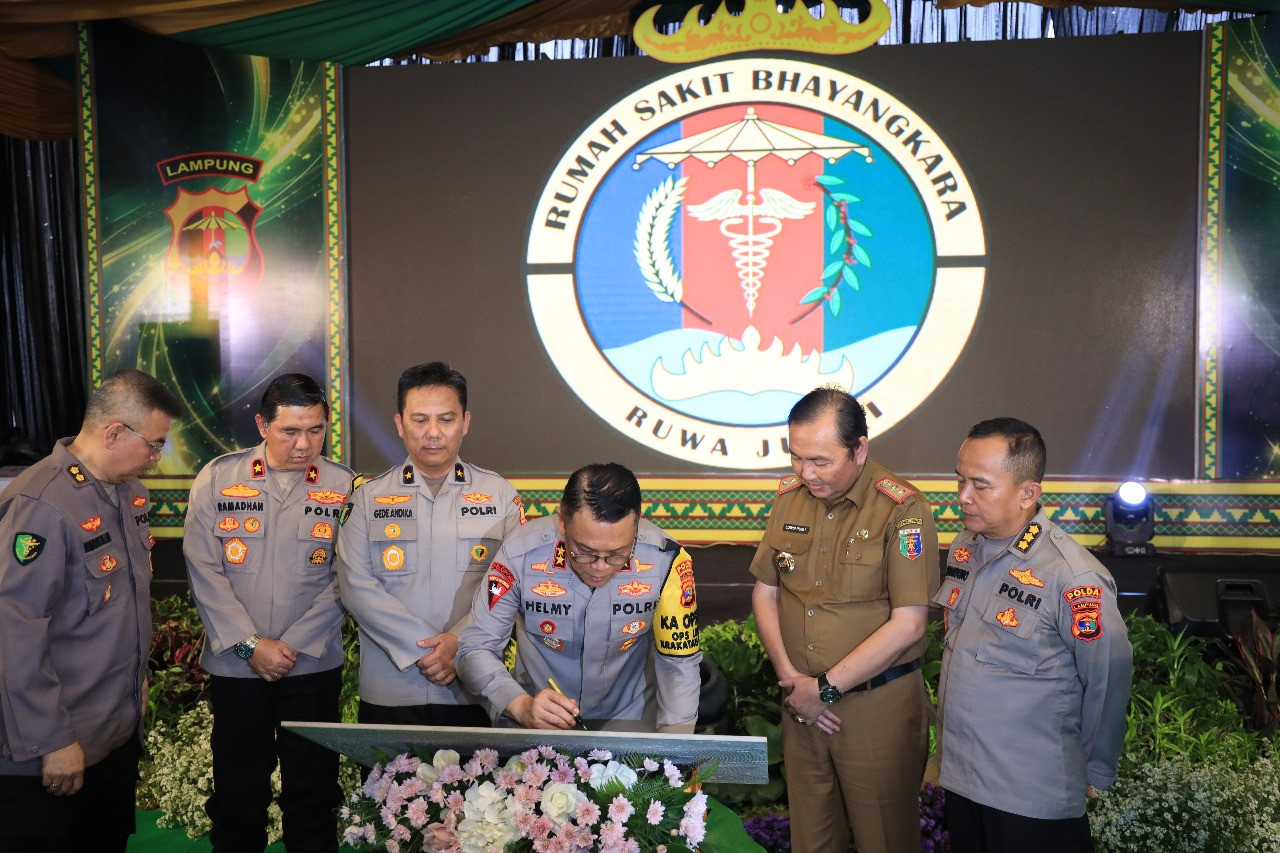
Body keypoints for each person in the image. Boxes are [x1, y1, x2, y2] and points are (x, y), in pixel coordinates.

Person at [749, 387, 938, 853]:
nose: (805, 473)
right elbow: (766, 590)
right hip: (802, 705)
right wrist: (792, 680)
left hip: (875, 708)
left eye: (821, 461)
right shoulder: (790, 497)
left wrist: (826, 688)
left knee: (885, 840)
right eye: (796, 457)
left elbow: (910, 623)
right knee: (811, 839)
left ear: (860, 448)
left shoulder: (902, 508)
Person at [0, 368, 181, 853]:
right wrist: (52, 740)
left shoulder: (128, 494)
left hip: (110, 738)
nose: (156, 457)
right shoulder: (41, 502)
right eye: (154, 444)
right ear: (115, 432)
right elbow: (14, 630)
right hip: (53, 752)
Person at [934, 418, 1132, 853]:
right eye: (960, 480)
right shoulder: (966, 547)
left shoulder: (1072, 576)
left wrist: (1096, 769)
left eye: (980, 485)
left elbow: (1108, 675)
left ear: (1028, 493)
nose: (963, 496)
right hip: (964, 781)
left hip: (1029, 796)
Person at [184, 373, 352, 852]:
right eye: (290, 431)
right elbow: (202, 568)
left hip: (312, 667)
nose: (305, 444)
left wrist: (289, 647)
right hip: (238, 667)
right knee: (238, 795)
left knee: (313, 794)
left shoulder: (346, 486)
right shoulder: (218, 477)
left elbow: (347, 580)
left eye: (316, 430)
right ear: (262, 424)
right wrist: (249, 644)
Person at [335, 362, 522, 727]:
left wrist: (458, 644)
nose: (433, 433)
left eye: (446, 420)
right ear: (400, 424)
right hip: (392, 687)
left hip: (474, 684)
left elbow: (511, 585)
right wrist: (425, 647)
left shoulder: (499, 496)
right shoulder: (368, 498)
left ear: (465, 423)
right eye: (420, 420)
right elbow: (356, 586)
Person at [456, 462, 702, 732]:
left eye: (617, 554)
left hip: (629, 724)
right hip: (537, 724)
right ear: (562, 520)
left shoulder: (666, 561)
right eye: (584, 551)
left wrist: (678, 750)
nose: (600, 566)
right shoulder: (520, 554)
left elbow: (679, 663)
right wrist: (519, 705)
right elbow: (475, 647)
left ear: (637, 523)